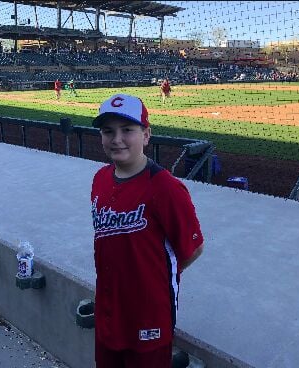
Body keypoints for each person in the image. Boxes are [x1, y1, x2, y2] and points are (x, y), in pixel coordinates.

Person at [90, 94, 204, 368]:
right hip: (108, 308)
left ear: (146, 135)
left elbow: (194, 248)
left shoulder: (165, 188)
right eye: (108, 131)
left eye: (127, 130)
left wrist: (154, 279)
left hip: (149, 314)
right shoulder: (100, 179)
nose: (116, 139)